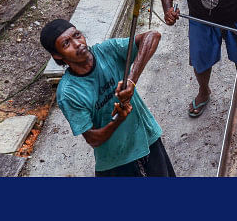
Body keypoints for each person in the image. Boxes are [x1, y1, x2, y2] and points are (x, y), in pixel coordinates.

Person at [40, 19, 175, 177]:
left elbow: (153, 36)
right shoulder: (69, 93)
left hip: (146, 138)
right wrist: (118, 120)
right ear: (57, 55)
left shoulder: (107, 50)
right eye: (66, 44)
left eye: (77, 35)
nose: (77, 43)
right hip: (116, 161)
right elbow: (93, 139)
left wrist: (131, 80)